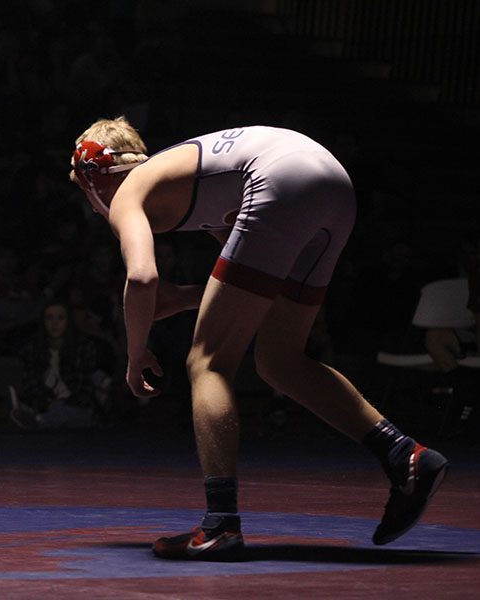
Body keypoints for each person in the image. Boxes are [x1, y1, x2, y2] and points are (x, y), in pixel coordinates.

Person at [69, 117, 449, 560]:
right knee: (279, 359)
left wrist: (135, 356)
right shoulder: (185, 179)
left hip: (278, 179)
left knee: (207, 361)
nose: (92, 206)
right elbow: (251, 287)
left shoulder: (128, 192)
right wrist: (185, 297)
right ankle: (405, 456)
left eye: (84, 193)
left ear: (92, 180)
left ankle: (221, 525)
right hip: (332, 186)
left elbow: (141, 275)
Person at [9, 299, 108, 429]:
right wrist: (45, 403)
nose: (55, 323)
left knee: (65, 412)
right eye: (50, 318)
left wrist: (63, 403)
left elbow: (85, 389)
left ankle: (38, 421)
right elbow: (31, 386)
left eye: (60, 318)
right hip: (47, 408)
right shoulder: (32, 350)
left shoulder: (83, 348)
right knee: (55, 412)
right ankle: (38, 417)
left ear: (68, 321)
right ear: (43, 322)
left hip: (78, 408)